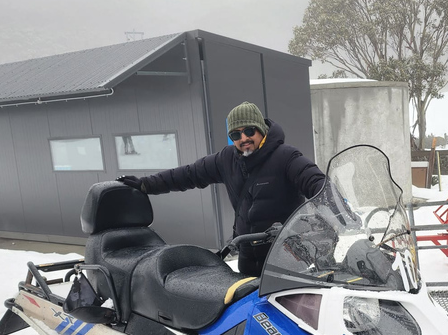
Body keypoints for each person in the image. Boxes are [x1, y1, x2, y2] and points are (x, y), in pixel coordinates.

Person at [117, 101, 325, 276]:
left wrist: (332, 203)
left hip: (284, 257)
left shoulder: (286, 157)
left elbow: (315, 182)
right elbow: (188, 174)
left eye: (249, 131)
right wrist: (146, 184)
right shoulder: (226, 160)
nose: (243, 139)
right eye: (236, 135)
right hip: (246, 255)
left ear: (261, 130)